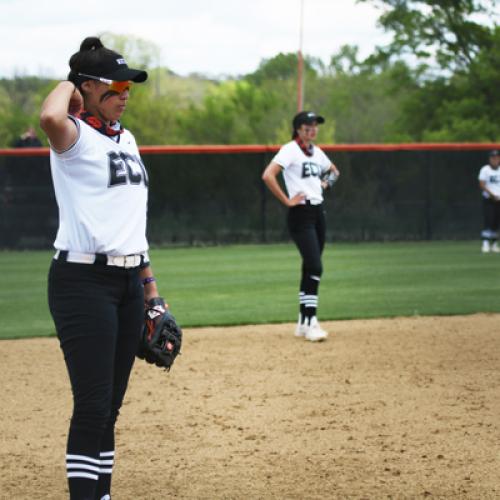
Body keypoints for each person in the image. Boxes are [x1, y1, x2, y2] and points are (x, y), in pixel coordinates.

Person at [40, 36, 166, 500]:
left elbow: (131, 224)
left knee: (110, 408)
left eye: (129, 85)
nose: (125, 93)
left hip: (129, 281)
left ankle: (102, 493)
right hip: (82, 283)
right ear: (88, 88)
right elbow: (49, 116)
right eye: (116, 85)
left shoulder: (126, 138)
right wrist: (66, 83)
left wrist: (152, 292)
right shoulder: (72, 135)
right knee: (91, 405)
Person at [262, 111, 340, 342]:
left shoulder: (316, 152)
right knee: (315, 266)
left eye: (315, 125)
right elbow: (268, 175)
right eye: (308, 126)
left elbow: (335, 171)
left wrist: (324, 185)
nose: (313, 129)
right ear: (298, 129)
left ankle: (303, 322)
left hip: (318, 212)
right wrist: (287, 200)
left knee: (310, 267)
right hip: (300, 214)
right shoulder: (290, 150)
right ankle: (312, 321)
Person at [478, 149, 500, 253]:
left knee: (496, 222)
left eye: (496, 157)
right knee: (489, 221)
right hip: (489, 199)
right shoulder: (485, 170)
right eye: (492, 157)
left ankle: (494, 244)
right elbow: (482, 184)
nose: (495, 159)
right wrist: (492, 195)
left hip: (499, 200)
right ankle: (485, 243)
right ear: (489, 159)